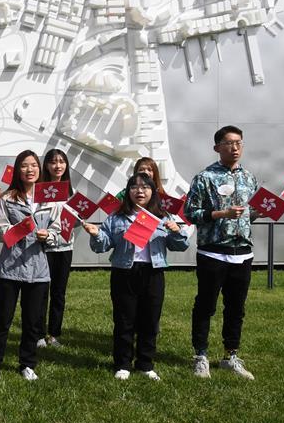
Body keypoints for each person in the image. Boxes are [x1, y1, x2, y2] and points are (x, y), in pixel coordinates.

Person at [83, 173, 189, 381]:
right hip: (124, 271)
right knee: (124, 319)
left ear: (153, 191)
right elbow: (103, 245)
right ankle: (122, 363)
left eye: (145, 187)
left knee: (150, 320)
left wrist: (177, 231)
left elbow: (180, 245)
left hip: (153, 272)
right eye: (134, 187)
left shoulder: (163, 217)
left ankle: (145, 364)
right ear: (128, 191)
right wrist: (96, 234)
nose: (140, 191)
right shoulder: (116, 217)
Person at [184, 125, 258, 380]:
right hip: (213, 253)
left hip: (243, 252)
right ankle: (200, 355)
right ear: (217, 147)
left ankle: (231, 355)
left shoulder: (249, 178)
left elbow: (249, 213)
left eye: (239, 142)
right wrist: (221, 214)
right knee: (206, 305)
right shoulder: (205, 178)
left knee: (236, 307)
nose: (235, 147)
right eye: (228, 143)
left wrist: (260, 212)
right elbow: (190, 213)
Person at [0, 151, 58, 381]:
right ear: (18, 170)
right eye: (25, 166)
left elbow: (58, 229)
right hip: (10, 267)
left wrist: (49, 236)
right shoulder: (8, 199)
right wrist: (23, 228)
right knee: (3, 318)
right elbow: (1, 232)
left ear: (40, 169)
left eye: (34, 165)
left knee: (32, 321)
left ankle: (27, 363)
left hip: (38, 270)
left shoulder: (49, 198)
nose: (30, 170)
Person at [36, 148, 74, 349]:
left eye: (61, 162)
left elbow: (74, 221)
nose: (57, 165)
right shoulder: (40, 189)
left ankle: (54, 334)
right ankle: (39, 334)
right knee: (42, 291)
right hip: (45, 247)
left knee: (59, 293)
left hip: (65, 247)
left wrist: (78, 217)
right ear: (47, 166)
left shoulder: (70, 192)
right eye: (53, 162)